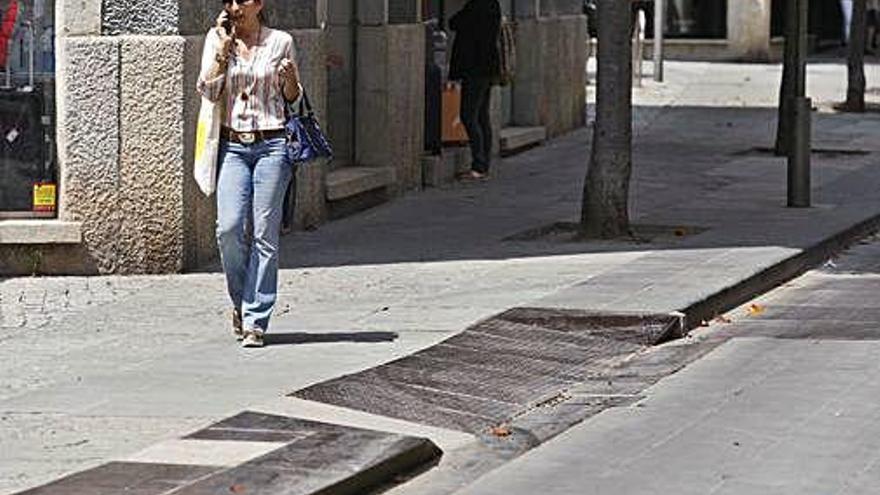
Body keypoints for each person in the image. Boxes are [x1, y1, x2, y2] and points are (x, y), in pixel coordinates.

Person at [197, 0, 302, 348]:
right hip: (232, 146)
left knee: (264, 233)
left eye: (241, 0)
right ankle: (242, 301)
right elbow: (209, 92)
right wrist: (222, 53)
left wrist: (292, 82)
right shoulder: (217, 39)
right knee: (228, 229)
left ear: (259, 4)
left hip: (272, 145)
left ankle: (256, 319)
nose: (234, 6)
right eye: (230, 1)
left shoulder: (280, 41)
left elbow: (291, 98)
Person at [449, 0, 501, 181]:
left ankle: (479, 165)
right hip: (486, 69)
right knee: (481, 116)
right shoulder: (492, 5)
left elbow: (454, 22)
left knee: (468, 115)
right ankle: (483, 165)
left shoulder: (477, 6)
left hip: (475, 70)